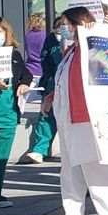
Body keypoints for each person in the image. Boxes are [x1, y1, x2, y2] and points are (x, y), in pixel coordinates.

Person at [44, 7, 108, 215]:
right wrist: (51, 97)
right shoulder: (70, 52)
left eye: (67, 23)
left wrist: (99, 31)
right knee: (69, 170)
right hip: (66, 117)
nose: (62, 28)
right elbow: (64, 81)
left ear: (78, 24)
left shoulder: (93, 47)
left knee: (95, 168)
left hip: (87, 117)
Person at [0, 17, 32, 208]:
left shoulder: (14, 55)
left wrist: (25, 84)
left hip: (9, 112)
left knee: (0, 158)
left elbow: (25, 73)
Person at [17, 14, 67, 165]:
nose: (59, 34)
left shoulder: (76, 41)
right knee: (46, 116)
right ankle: (39, 150)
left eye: (62, 31)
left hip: (70, 84)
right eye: (57, 31)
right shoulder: (50, 40)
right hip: (53, 82)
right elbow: (45, 60)